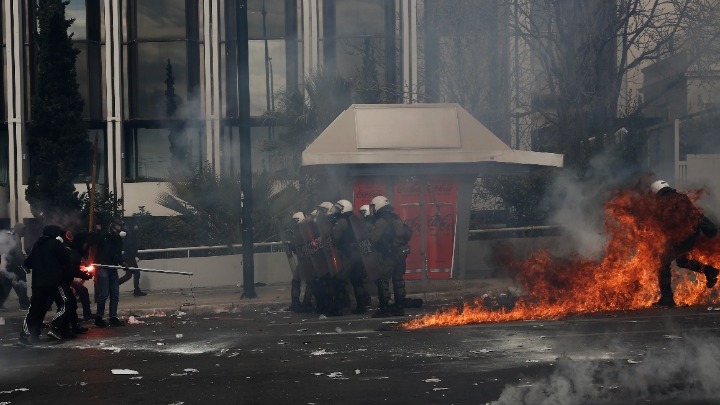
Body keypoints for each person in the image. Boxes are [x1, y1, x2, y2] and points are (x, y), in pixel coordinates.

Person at [650, 180, 720, 307]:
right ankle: (709, 271)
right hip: (691, 236)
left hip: (680, 237)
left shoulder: (662, 201)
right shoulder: (681, 197)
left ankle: (667, 299)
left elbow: (664, 222)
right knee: (682, 261)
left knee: (663, 263)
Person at [17, 225, 73, 346]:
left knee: (34, 310)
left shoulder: (37, 245)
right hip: (54, 282)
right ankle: (55, 327)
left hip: (38, 284)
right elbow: (66, 259)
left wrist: (40, 264)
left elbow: (28, 262)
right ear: (54, 234)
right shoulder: (55, 244)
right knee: (66, 302)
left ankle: (24, 337)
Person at [366, 196, 411, 317]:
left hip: (389, 255)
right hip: (401, 253)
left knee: (383, 280)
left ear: (379, 206)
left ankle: (384, 308)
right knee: (398, 280)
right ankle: (399, 308)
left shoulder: (381, 221)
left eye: (374, 207)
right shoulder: (396, 218)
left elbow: (374, 239)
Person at [329, 200, 371, 314]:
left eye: (339, 209)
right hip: (360, 254)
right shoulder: (357, 220)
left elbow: (335, 238)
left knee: (338, 279)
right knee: (357, 280)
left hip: (348, 254)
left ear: (344, 209)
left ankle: (337, 308)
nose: (337, 211)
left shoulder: (341, 221)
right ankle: (362, 306)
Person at [94, 218, 126, 327]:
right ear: (113, 225)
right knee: (104, 293)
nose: (120, 227)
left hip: (113, 267)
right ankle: (99, 317)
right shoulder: (104, 236)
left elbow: (118, 254)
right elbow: (97, 249)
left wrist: (122, 263)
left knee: (115, 294)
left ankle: (113, 317)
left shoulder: (118, 239)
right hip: (103, 266)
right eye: (118, 225)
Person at [0, 223, 30, 311]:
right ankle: (25, 305)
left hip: (7, 266)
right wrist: (25, 266)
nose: (24, 232)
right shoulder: (16, 238)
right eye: (23, 230)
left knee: (5, 286)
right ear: (19, 230)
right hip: (15, 266)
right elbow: (19, 255)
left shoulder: (9, 236)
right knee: (21, 284)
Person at [118, 220, 146, 297]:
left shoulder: (130, 234)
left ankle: (114, 285)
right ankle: (136, 291)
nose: (137, 227)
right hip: (129, 257)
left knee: (128, 275)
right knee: (136, 273)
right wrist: (135, 256)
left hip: (128, 257)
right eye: (136, 225)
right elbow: (131, 247)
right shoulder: (131, 235)